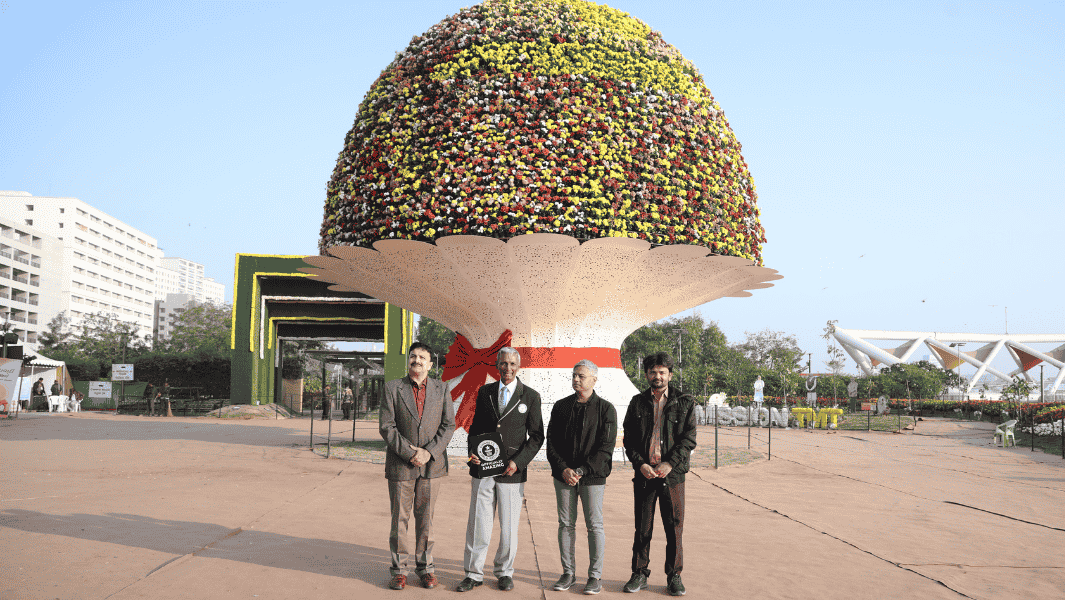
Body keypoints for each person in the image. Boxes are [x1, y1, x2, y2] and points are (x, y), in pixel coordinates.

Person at [457, 347, 544, 593]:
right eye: (504, 363)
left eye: (512, 364)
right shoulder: (485, 392)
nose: (508, 368)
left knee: (509, 527)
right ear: (497, 365)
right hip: (483, 468)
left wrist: (518, 462)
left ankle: (504, 572)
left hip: (511, 471)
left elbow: (537, 436)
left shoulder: (530, 396)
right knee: (478, 523)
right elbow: (475, 428)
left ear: (519, 366)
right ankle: (473, 573)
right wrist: (472, 452)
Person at [379, 342, 455, 591]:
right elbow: (387, 426)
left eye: (422, 357)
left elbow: (448, 425)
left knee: (426, 521)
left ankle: (425, 568)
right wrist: (410, 453)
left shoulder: (442, 389)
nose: (417, 360)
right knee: (399, 520)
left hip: (432, 466)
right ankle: (399, 571)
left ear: (431, 364)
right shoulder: (392, 388)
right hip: (401, 464)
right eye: (413, 356)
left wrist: (428, 452)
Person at [622, 353, 697, 596]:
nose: (658, 376)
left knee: (674, 527)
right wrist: (640, 464)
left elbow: (688, 439)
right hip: (645, 475)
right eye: (653, 372)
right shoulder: (637, 403)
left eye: (662, 372)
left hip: (672, 477)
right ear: (646, 374)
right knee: (642, 527)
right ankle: (639, 573)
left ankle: (674, 575)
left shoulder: (684, 402)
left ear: (670, 375)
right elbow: (629, 439)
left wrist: (670, 464)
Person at [545, 360, 616, 595]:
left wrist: (582, 470)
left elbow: (606, 448)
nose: (576, 379)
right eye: (574, 375)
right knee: (566, 524)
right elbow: (551, 442)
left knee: (594, 525)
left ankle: (594, 576)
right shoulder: (561, 407)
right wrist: (563, 469)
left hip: (592, 477)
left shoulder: (606, 409)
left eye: (581, 376)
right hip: (563, 476)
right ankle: (568, 573)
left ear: (594, 379)